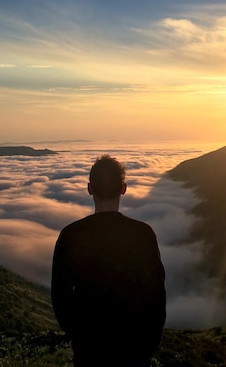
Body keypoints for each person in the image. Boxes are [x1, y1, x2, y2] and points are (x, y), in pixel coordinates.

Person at [51, 154, 166, 367]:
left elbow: (60, 298)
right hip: (135, 350)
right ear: (123, 188)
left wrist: (79, 334)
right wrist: (148, 347)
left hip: (89, 351)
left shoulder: (70, 235)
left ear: (89, 189)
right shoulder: (143, 234)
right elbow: (156, 296)